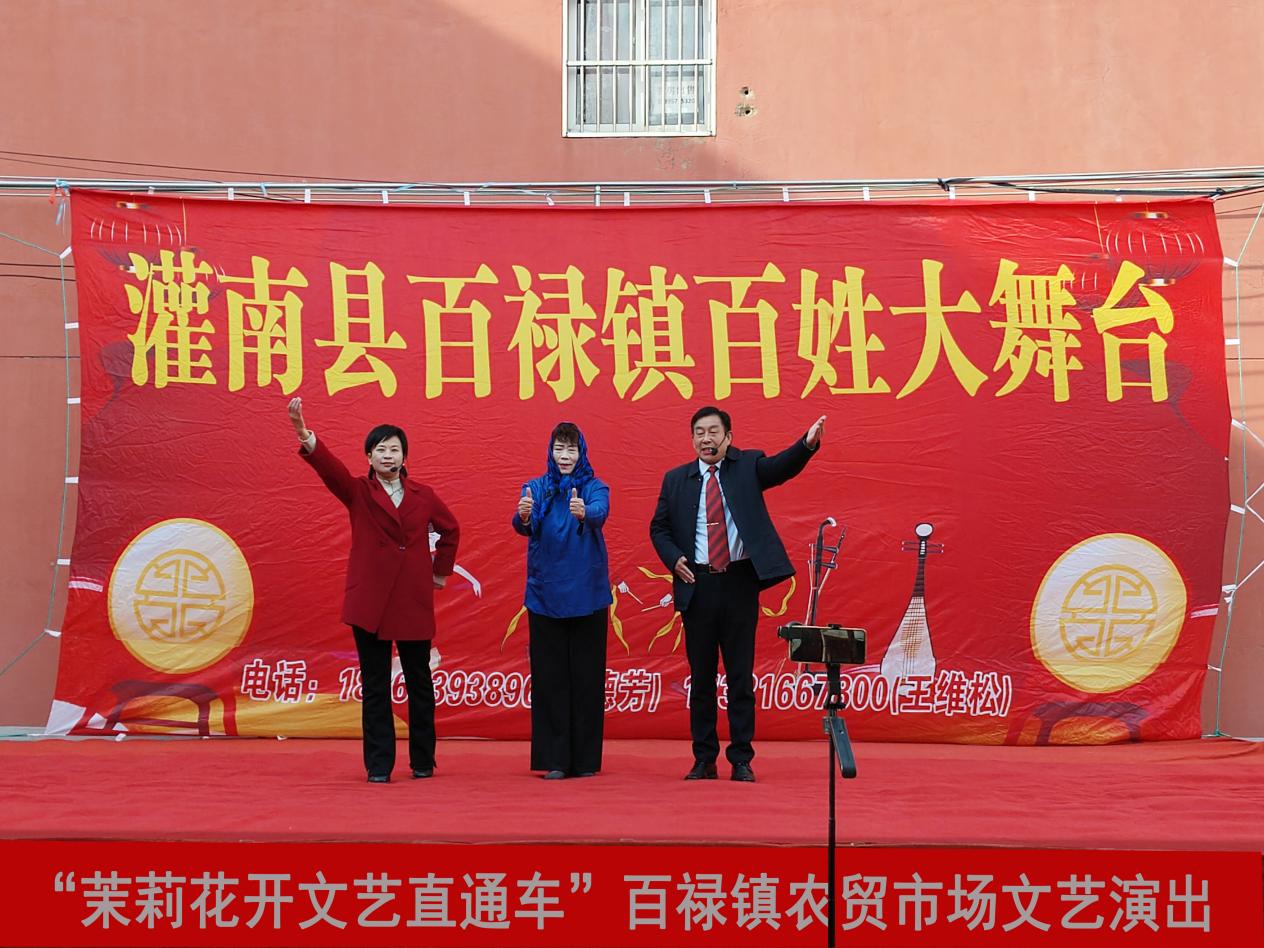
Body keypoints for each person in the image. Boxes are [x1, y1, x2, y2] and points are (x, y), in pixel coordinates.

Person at [287, 397, 459, 784]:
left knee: (419, 682)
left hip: (412, 599)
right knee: (376, 684)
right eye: (380, 449)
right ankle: (379, 765)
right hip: (370, 602)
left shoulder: (424, 495)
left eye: (394, 449)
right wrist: (303, 432)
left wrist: (439, 573)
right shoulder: (358, 492)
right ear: (369, 456)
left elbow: (451, 530)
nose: (387, 455)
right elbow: (330, 470)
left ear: (404, 456)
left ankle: (423, 761)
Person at [650, 406, 825, 783]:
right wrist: (674, 559)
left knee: (740, 677)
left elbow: (780, 468)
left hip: (739, 583)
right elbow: (659, 529)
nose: (706, 439)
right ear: (692, 439)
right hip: (697, 585)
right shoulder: (676, 480)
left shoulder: (747, 466)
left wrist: (807, 445)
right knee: (701, 679)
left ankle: (741, 758)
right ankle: (704, 759)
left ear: (728, 437)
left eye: (714, 431)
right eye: (699, 432)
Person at [512, 422, 611, 780]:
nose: (565, 456)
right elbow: (522, 522)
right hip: (545, 595)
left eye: (571, 449)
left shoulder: (595, 486)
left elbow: (600, 511)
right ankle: (555, 759)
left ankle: (584, 761)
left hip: (588, 594)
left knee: (586, 678)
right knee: (550, 678)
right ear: (550, 452)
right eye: (559, 448)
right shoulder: (537, 487)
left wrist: (585, 512)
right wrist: (524, 515)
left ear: (581, 452)